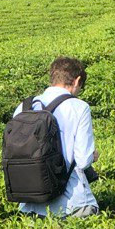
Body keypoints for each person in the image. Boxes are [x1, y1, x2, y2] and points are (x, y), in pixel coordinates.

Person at [14, 56, 100, 219]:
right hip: (71, 204)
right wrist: (92, 156)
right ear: (77, 81)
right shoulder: (79, 107)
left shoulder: (24, 106)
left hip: (29, 204)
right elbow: (83, 160)